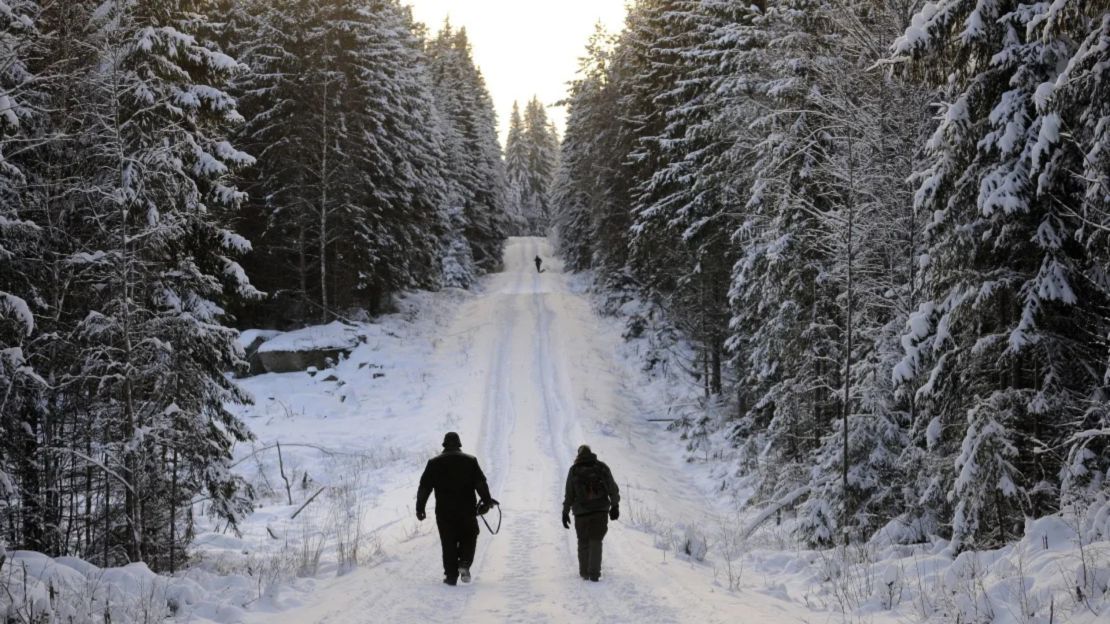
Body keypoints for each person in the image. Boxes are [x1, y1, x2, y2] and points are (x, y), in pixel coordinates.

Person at [417, 432, 498, 586]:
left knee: (448, 543)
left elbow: (424, 488)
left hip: (444, 513)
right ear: (459, 444)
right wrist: (487, 501)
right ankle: (465, 563)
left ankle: (451, 576)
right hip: (467, 511)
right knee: (470, 535)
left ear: (444, 445)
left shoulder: (434, 463)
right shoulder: (470, 461)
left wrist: (419, 508)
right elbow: (480, 484)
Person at [561, 445, 620, 582]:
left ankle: (584, 572)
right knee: (596, 541)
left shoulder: (574, 470)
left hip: (581, 513)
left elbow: (569, 494)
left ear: (578, 455)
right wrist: (615, 505)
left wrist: (565, 512)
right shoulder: (601, 467)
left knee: (583, 541)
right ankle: (594, 574)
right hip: (600, 511)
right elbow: (612, 488)